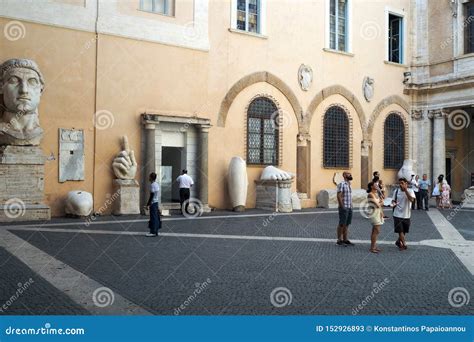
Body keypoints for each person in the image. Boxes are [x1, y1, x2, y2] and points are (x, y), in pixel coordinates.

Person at [392, 178, 416, 250]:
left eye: (402, 183)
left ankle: (398, 241)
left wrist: (406, 191)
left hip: (406, 214)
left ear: (406, 184)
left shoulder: (411, 191)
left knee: (404, 230)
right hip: (397, 214)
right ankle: (404, 244)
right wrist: (393, 203)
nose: (400, 184)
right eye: (399, 183)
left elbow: (411, 200)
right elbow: (393, 200)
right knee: (400, 230)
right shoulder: (396, 191)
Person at [336, 171, 354, 246]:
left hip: (349, 207)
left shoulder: (349, 184)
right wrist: (342, 206)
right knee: (342, 223)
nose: (350, 174)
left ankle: (345, 239)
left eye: (350, 173)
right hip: (344, 207)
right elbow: (339, 195)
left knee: (347, 224)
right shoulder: (341, 184)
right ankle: (339, 240)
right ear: (344, 175)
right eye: (348, 173)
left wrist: (351, 205)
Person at [366, 181, 385, 253]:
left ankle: (373, 246)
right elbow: (377, 205)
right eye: (375, 185)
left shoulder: (376, 194)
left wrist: (382, 213)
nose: (377, 185)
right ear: (371, 186)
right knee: (377, 230)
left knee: (375, 231)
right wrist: (382, 203)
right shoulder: (370, 194)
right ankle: (372, 247)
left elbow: (381, 201)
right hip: (374, 213)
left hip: (378, 212)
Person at [146, 172, 161, 237]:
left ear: (151, 178)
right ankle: (156, 231)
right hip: (156, 202)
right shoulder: (157, 184)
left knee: (153, 217)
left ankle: (153, 232)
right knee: (156, 217)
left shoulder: (152, 185)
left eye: (149, 177)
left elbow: (151, 195)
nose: (148, 178)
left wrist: (148, 204)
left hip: (153, 203)